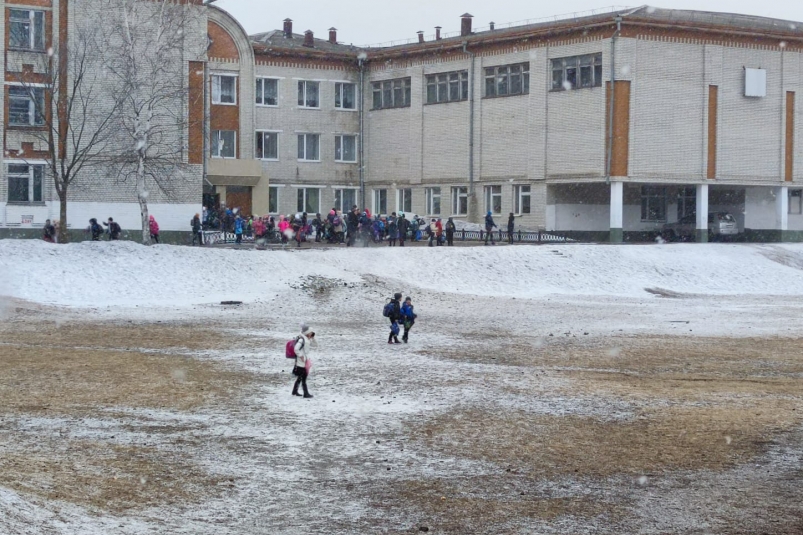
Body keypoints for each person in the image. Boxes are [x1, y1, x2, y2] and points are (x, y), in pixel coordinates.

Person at [291, 325, 316, 399]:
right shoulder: (302, 340)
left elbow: (315, 345)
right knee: (304, 377)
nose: (312, 333)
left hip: (304, 361)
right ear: (307, 333)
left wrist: (313, 338)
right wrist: (301, 356)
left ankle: (294, 391)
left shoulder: (307, 339)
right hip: (301, 361)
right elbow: (296, 349)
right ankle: (306, 393)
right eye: (311, 332)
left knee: (300, 377)